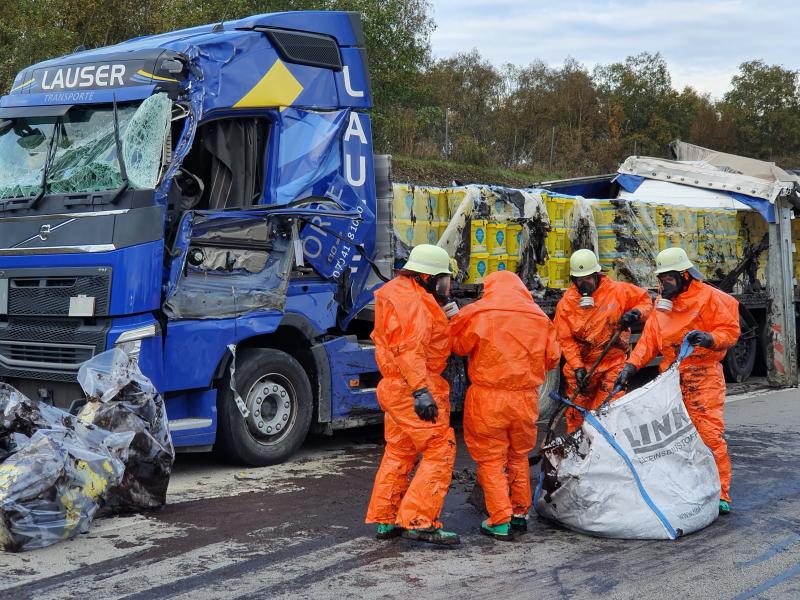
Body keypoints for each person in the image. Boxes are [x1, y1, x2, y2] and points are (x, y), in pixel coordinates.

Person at [615, 247, 740, 515]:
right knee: (674, 440)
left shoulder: (709, 298)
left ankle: (721, 492)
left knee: (708, 436)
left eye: (668, 278)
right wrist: (629, 368)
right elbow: (648, 342)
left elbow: (729, 330)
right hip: (671, 378)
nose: (663, 284)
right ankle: (686, 488)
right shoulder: (663, 307)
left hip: (703, 376)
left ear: (684, 275)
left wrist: (710, 339)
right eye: (661, 279)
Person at [450, 271, 560, 540]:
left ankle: (500, 519)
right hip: (524, 398)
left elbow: (458, 346)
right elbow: (553, 359)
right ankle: (520, 513)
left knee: (490, 458)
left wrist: (453, 319)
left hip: (489, 398)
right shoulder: (539, 317)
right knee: (518, 455)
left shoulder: (478, 312)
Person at [365, 244, 460, 545]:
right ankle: (419, 520)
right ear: (426, 277)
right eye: (442, 279)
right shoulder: (415, 303)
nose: (445, 286)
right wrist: (421, 391)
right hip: (412, 386)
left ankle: (386, 518)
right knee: (440, 447)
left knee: (399, 450)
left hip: (397, 385)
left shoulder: (402, 293)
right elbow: (410, 349)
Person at [554, 249, 652, 431]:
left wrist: (636, 313)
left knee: (608, 412)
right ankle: (577, 451)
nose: (584, 285)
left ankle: (607, 451)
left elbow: (646, 302)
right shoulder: (566, 305)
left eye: (588, 279)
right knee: (576, 415)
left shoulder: (618, 291)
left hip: (613, 363)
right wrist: (578, 367)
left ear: (597, 274)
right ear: (573, 280)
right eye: (579, 280)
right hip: (584, 366)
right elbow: (565, 340)